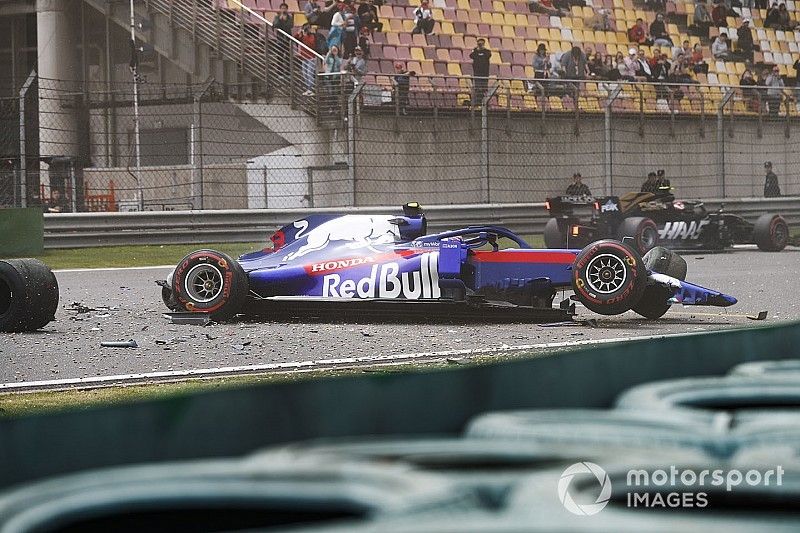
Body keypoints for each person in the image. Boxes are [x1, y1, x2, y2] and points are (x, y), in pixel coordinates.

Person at [295, 24, 319, 95]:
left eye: (308, 28)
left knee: (309, 73)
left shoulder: (312, 36)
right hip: (304, 57)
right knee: (304, 74)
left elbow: (310, 44)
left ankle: (311, 89)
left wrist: (305, 35)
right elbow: (295, 39)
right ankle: (308, 88)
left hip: (311, 57)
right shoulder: (302, 35)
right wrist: (298, 33)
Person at [273, 3, 294, 74]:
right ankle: (280, 72)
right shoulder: (277, 17)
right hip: (280, 39)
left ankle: (288, 72)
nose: (283, 9)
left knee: (288, 56)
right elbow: (275, 25)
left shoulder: (290, 17)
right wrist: (280, 19)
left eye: (285, 8)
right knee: (280, 55)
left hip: (288, 39)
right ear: (280, 9)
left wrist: (284, 21)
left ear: (287, 9)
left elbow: (290, 26)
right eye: (282, 8)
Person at [470, 38, 492, 105]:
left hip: (485, 73)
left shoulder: (487, 51)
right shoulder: (475, 52)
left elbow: (488, 55)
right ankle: (477, 102)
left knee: (484, 88)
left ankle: (485, 103)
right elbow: (471, 56)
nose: (480, 45)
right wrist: (476, 50)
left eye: (481, 44)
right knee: (477, 88)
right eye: (479, 44)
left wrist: (482, 49)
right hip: (477, 73)